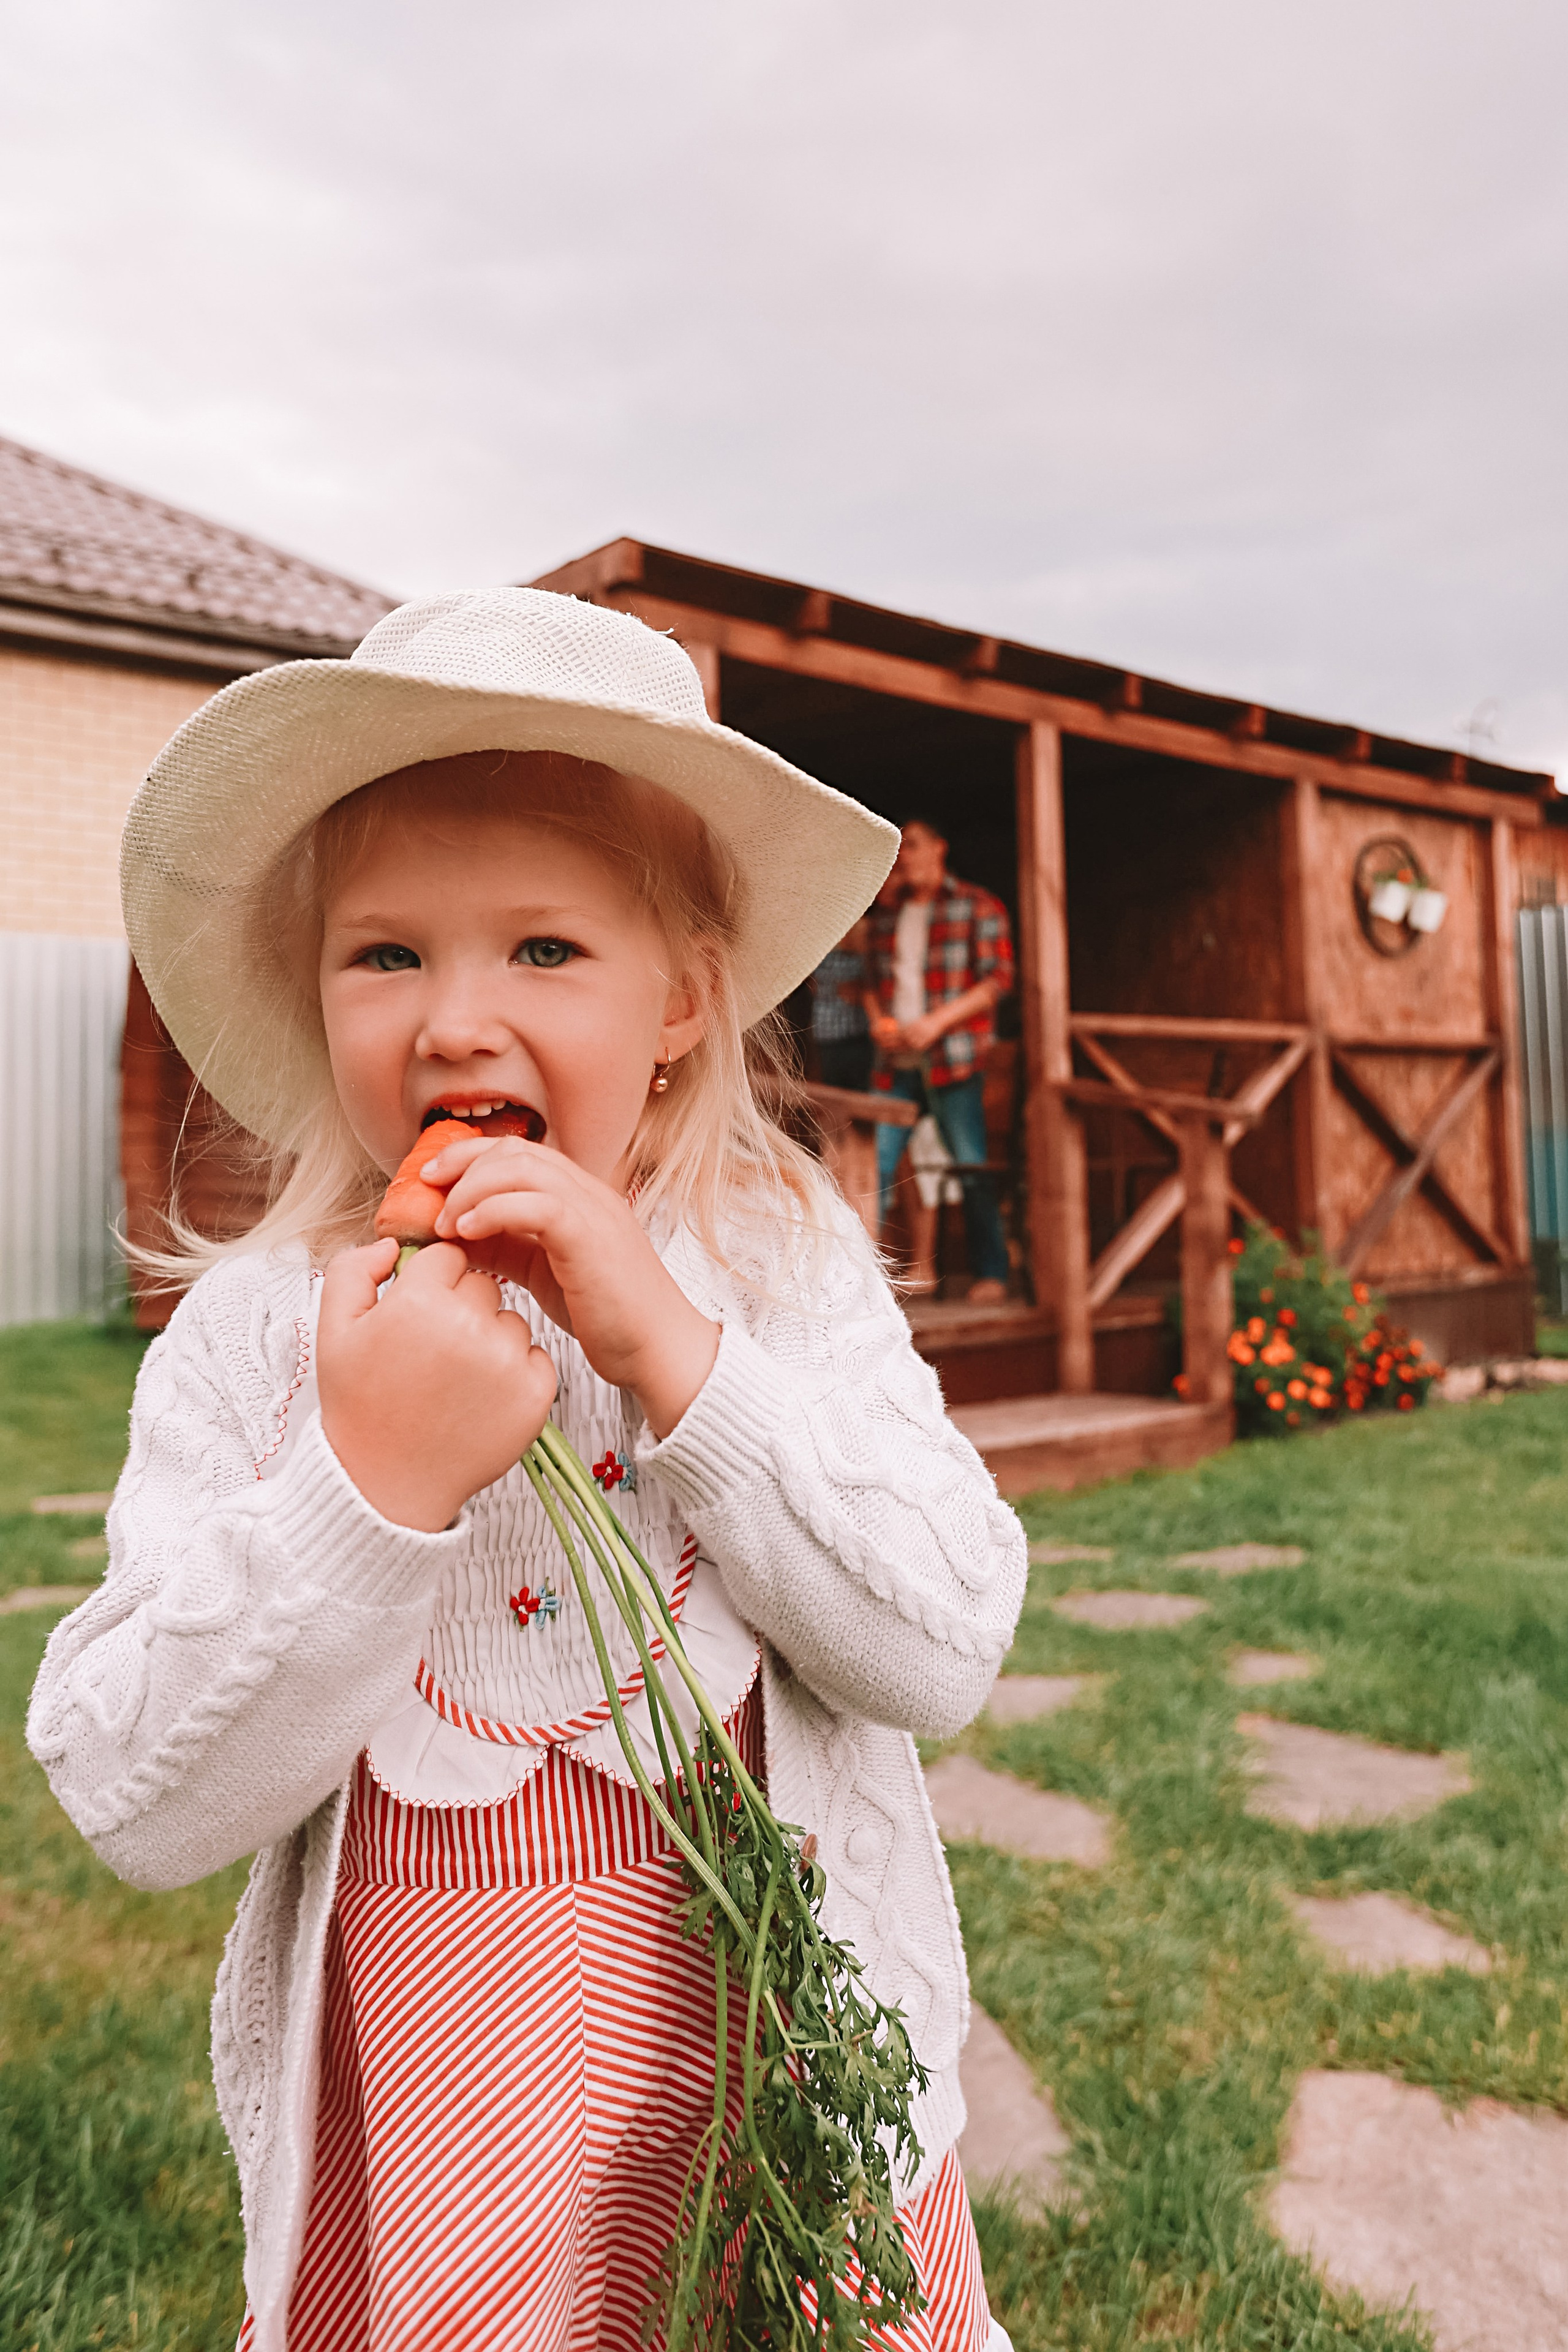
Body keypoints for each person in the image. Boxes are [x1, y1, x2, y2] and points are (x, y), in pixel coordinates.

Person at [27, 592, 1024, 2352]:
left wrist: (682, 1359)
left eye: (543, 949)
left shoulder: (772, 1264)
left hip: (773, 2046)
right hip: (447, 2096)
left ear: (681, 1001)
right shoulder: (264, 1331)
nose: (454, 1020)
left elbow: (942, 1641)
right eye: (385, 955)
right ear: (313, 990)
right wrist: (363, 1484)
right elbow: (130, 1790)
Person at [865, 816, 1015, 1302]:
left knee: (969, 1166)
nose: (904, 856)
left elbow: (998, 981)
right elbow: (871, 983)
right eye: (900, 849)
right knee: (874, 1164)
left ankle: (992, 1273)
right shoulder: (887, 914)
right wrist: (879, 1022)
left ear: (939, 849)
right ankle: (860, 1283)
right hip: (896, 1063)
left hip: (953, 1058)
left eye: (912, 845)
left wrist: (936, 1024)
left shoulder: (977, 905)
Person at [809, 916, 873, 1091]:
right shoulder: (836, 960)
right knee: (842, 1087)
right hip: (835, 1036)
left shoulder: (827, 960)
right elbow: (852, 992)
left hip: (848, 1034)